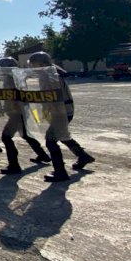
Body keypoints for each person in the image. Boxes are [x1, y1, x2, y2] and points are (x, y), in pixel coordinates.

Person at [27, 52, 95, 182]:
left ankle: (60, 172)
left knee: (51, 140)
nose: (32, 68)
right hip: (61, 111)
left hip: (61, 112)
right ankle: (83, 156)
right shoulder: (48, 74)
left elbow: (52, 97)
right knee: (62, 136)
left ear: (43, 64)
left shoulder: (51, 76)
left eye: (34, 65)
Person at [0, 57, 51, 175]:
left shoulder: (12, 79)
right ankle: (43, 155)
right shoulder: (15, 77)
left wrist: (12, 109)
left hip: (17, 112)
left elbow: (15, 97)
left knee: (6, 137)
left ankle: (14, 165)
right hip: (20, 111)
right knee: (26, 135)